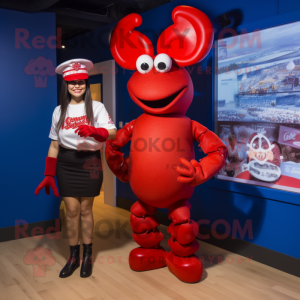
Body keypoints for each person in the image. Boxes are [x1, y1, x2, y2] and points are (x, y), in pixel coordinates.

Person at [35, 58, 117, 278]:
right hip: (65, 163)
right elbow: (54, 144)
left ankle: (87, 257)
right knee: (71, 210)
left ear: (86, 83)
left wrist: (96, 132)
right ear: (66, 85)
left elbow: (113, 133)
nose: (77, 85)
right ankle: (73, 257)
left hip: (89, 162)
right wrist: (48, 174)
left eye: (81, 81)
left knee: (86, 209)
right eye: (72, 82)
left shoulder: (97, 107)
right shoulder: (58, 111)